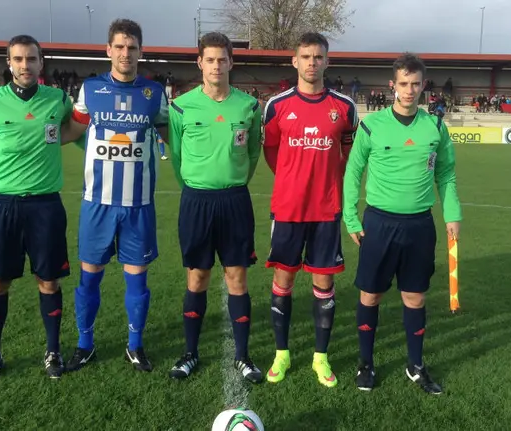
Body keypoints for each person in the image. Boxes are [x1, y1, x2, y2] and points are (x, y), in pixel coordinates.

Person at [343, 52, 462, 395]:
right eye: (403, 84)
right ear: (391, 86)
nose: (410, 91)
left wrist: (452, 213)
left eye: (416, 84)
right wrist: (351, 216)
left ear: (424, 86)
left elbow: (446, 173)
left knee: (415, 297)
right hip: (379, 224)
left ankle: (416, 365)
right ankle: (366, 364)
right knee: (371, 294)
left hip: (420, 226)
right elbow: (353, 172)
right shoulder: (371, 125)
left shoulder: (436, 126)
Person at [60, 19, 168, 373]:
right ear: (108, 50)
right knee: (89, 278)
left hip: (138, 205)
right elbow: (72, 130)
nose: (125, 53)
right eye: (119, 47)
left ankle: (135, 346)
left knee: (137, 279)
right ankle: (85, 345)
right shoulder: (90, 89)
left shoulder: (154, 93)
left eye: (132, 47)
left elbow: (171, 135)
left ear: (140, 51)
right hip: (98, 204)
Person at [0, 34, 73, 384]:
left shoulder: (58, 99)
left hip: (45, 205)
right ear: (8, 63)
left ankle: (53, 350)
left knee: (49, 280)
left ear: (42, 63)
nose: (25, 65)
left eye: (32, 59)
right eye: (19, 59)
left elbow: (81, 131)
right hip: (1, 205)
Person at [261, 32, 358, 388]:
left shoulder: (344, 107)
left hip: (326, 209)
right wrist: (292, 178)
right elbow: (272, 152)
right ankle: (281, 354)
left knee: (324, 282)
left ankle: (321, 357)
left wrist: (325, 180)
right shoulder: (277, 105)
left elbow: (349, 154)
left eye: (318, 57)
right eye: (305, 56)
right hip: (287, 209)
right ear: (295, 61)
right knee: (283, 280)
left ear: (327, 61)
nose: (312, 63)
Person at [167, 31, 264, 383]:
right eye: (210, 59)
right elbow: (176, 157)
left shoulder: (249, 106)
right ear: (200, 63)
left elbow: (252, 153)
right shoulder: (181, 106)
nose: (216, 65)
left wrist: (233, 182)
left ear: (231, 63)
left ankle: (243, 356)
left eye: (222, 59)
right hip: (196, 201)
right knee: (198, 277)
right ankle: (190, 353)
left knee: (237, 277)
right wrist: (195, 187)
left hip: (235, 200)